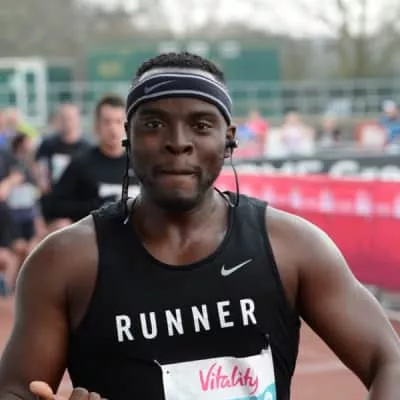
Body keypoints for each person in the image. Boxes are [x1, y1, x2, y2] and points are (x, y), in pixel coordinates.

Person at [0, 52, 400, 400]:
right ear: (128, 138)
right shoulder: (65, 262)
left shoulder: (293, 247)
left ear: (229, 140)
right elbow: (15, 388)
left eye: (202, 125)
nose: (178, 142)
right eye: (154, 124)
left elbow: (389, 360)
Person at [49, 94, 139, 222]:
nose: (113, 128)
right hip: (94, 232)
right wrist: (97, 206)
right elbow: (54, 206)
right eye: (107, 122)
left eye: (118, 121)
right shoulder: (81, 164)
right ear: (97, 125)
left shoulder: (140, 163)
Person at [34, 104, 91, 231]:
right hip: (53, 200)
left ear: (78, 119)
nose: (67, 122)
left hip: (77, 202)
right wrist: (42, 182)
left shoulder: (87, 147)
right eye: (63, 118)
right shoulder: (48, 144)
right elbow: (40, 167)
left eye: (70, 118)